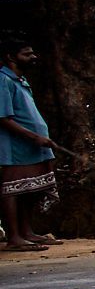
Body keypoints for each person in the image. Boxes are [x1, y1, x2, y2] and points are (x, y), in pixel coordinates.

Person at [1, 42, 61, 252]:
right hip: (15, 148)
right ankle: (14, 237)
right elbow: (3, 118)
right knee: (13, 189)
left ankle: (27, 232)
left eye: (32, 52)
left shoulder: (21, 80)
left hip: (33, 147)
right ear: (10, 56)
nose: (33, 56)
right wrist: (33, 136)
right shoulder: (3, 79)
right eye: (27, 54)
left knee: (30, 189)